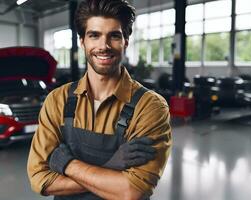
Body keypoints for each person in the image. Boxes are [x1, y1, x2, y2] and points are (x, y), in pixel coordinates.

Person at [27, 0, 172, 199]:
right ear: (82, 41)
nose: (103, 46)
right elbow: (40, 178)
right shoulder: (57, 100)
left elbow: (132, 191)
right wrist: (110, 166)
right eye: (94, 35)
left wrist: (68, 164)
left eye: (114, 36)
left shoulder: (150, 107)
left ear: (126, 42)